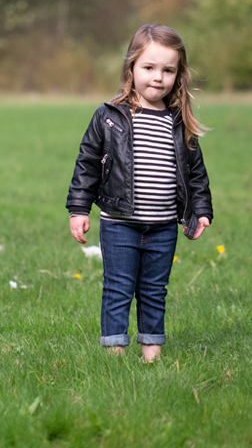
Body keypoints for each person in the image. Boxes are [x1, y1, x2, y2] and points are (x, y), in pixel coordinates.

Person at [66, 24, 213, 362]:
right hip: (120, 223)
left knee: (153, 290)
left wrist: (201, 210)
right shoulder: (109, 117)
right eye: (149, 67)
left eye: (168, 70)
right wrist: (78, 209)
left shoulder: (178, 122)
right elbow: (87, 164)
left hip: (163, 227)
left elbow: (195, 174)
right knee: (118, 288)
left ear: (179, 75)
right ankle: (115, 351)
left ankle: (152, 353)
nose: (158, 77)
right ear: (131, 67)